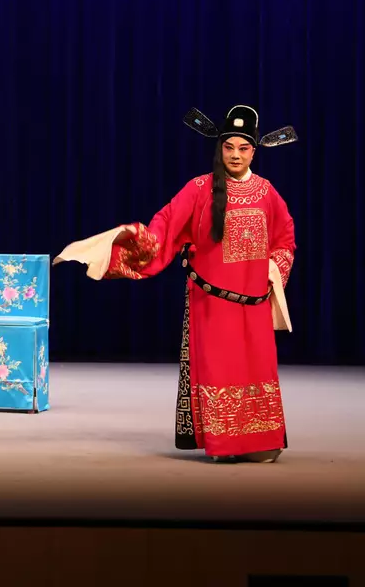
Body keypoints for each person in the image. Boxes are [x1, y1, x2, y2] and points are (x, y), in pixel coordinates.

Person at [56, 106, 298, 462]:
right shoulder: (199, 189)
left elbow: (285, 239)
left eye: (243, 148)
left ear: (254, 151)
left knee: (257, 367)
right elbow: (165, 227)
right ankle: (224, 444)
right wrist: (133, 238)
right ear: (219, 148)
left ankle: (260, 441)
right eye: (229, 147)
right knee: (221, 369)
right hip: (212, 304)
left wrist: (275, 270)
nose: (235, 155)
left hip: (254, 303)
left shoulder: (266, 192)